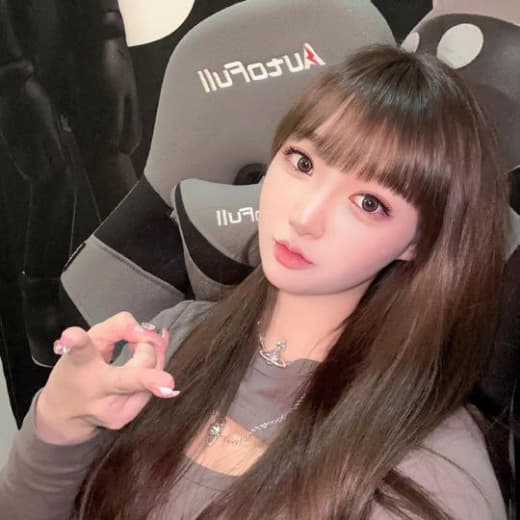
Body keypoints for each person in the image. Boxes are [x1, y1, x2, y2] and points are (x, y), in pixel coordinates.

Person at [0, 44, 510, 519]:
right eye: (303, 162)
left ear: (416, 242)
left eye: (369, 203)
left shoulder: (430, 468)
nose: (306, 217)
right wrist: (59, 421)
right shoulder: (174, 337)